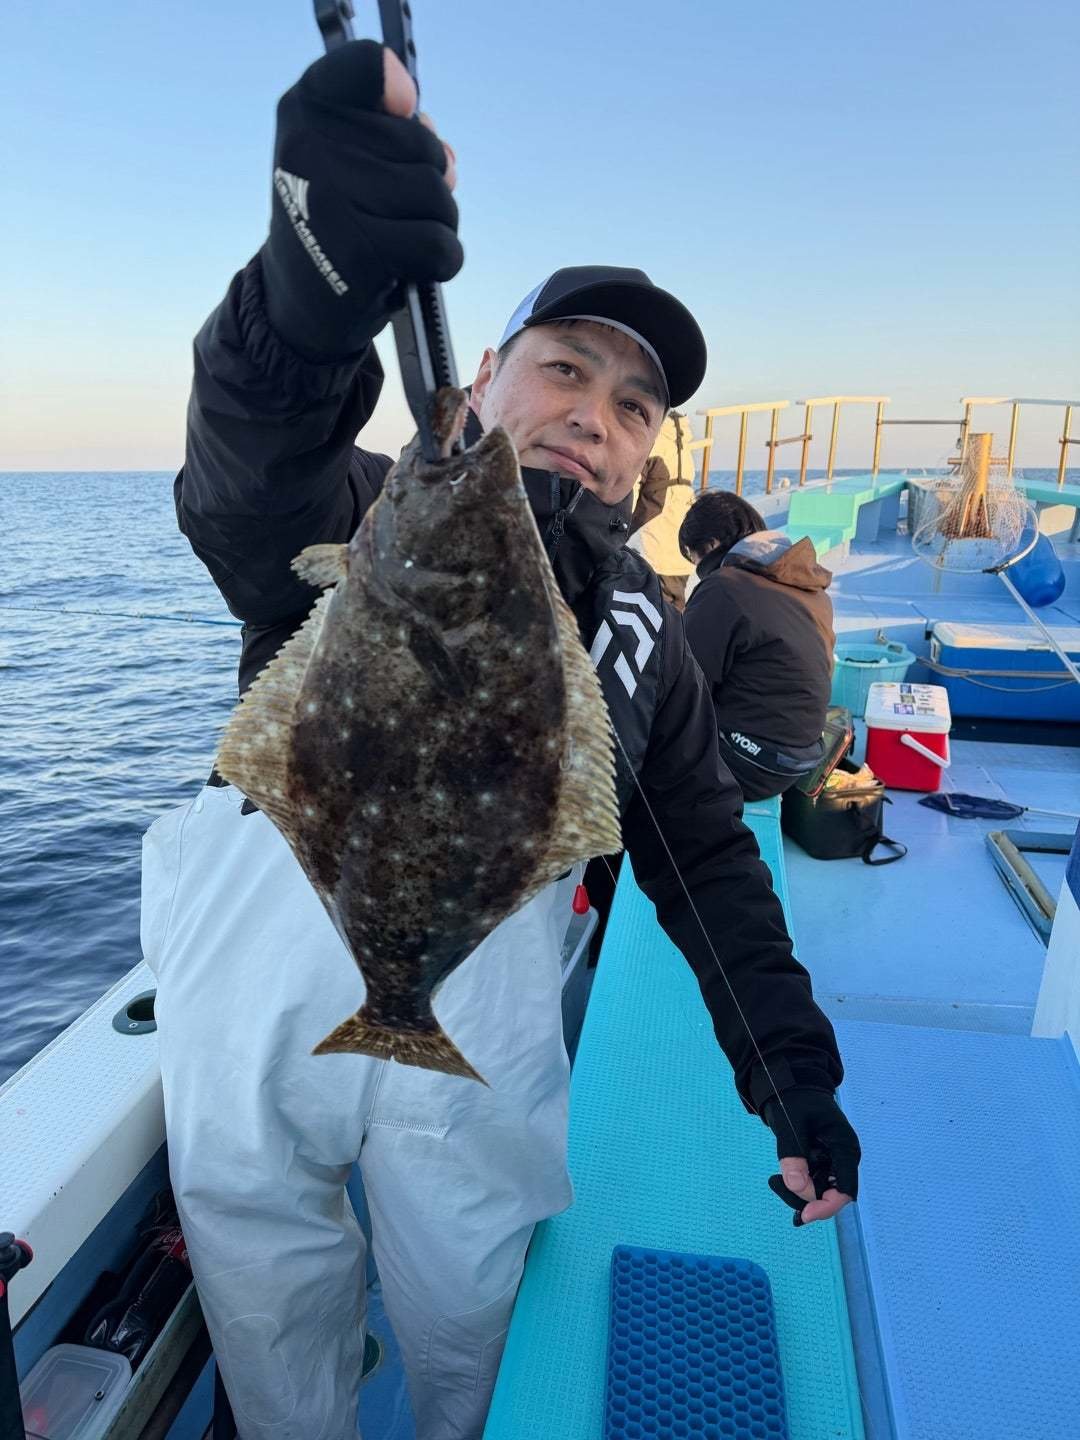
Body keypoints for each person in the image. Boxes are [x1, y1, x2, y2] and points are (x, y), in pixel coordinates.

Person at [141, 40, 860, 1440]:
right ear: (482, 378)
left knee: (467, 1323)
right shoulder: (368, 508)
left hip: (472, 1021)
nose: (593, 416)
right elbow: (248, 470)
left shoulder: (646, 630)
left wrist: (792, 1077)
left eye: (633, 406)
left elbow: (705, 861)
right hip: (256, 995)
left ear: (649, 456)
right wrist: (304, 305)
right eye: (564, 369)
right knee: (268, 1310)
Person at [679, 490, 835, 801]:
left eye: (695, 560)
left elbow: (684, 684)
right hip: (800, 759)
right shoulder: (808, 585)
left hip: (749, 765)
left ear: (711, 545)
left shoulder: (724, 587)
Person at [627, 410, 697, 609]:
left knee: (650, 613)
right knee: (674, 615)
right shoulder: (681, 441)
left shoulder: (653, 441)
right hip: (681, 549)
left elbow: (630, 493)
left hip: (654, 548)